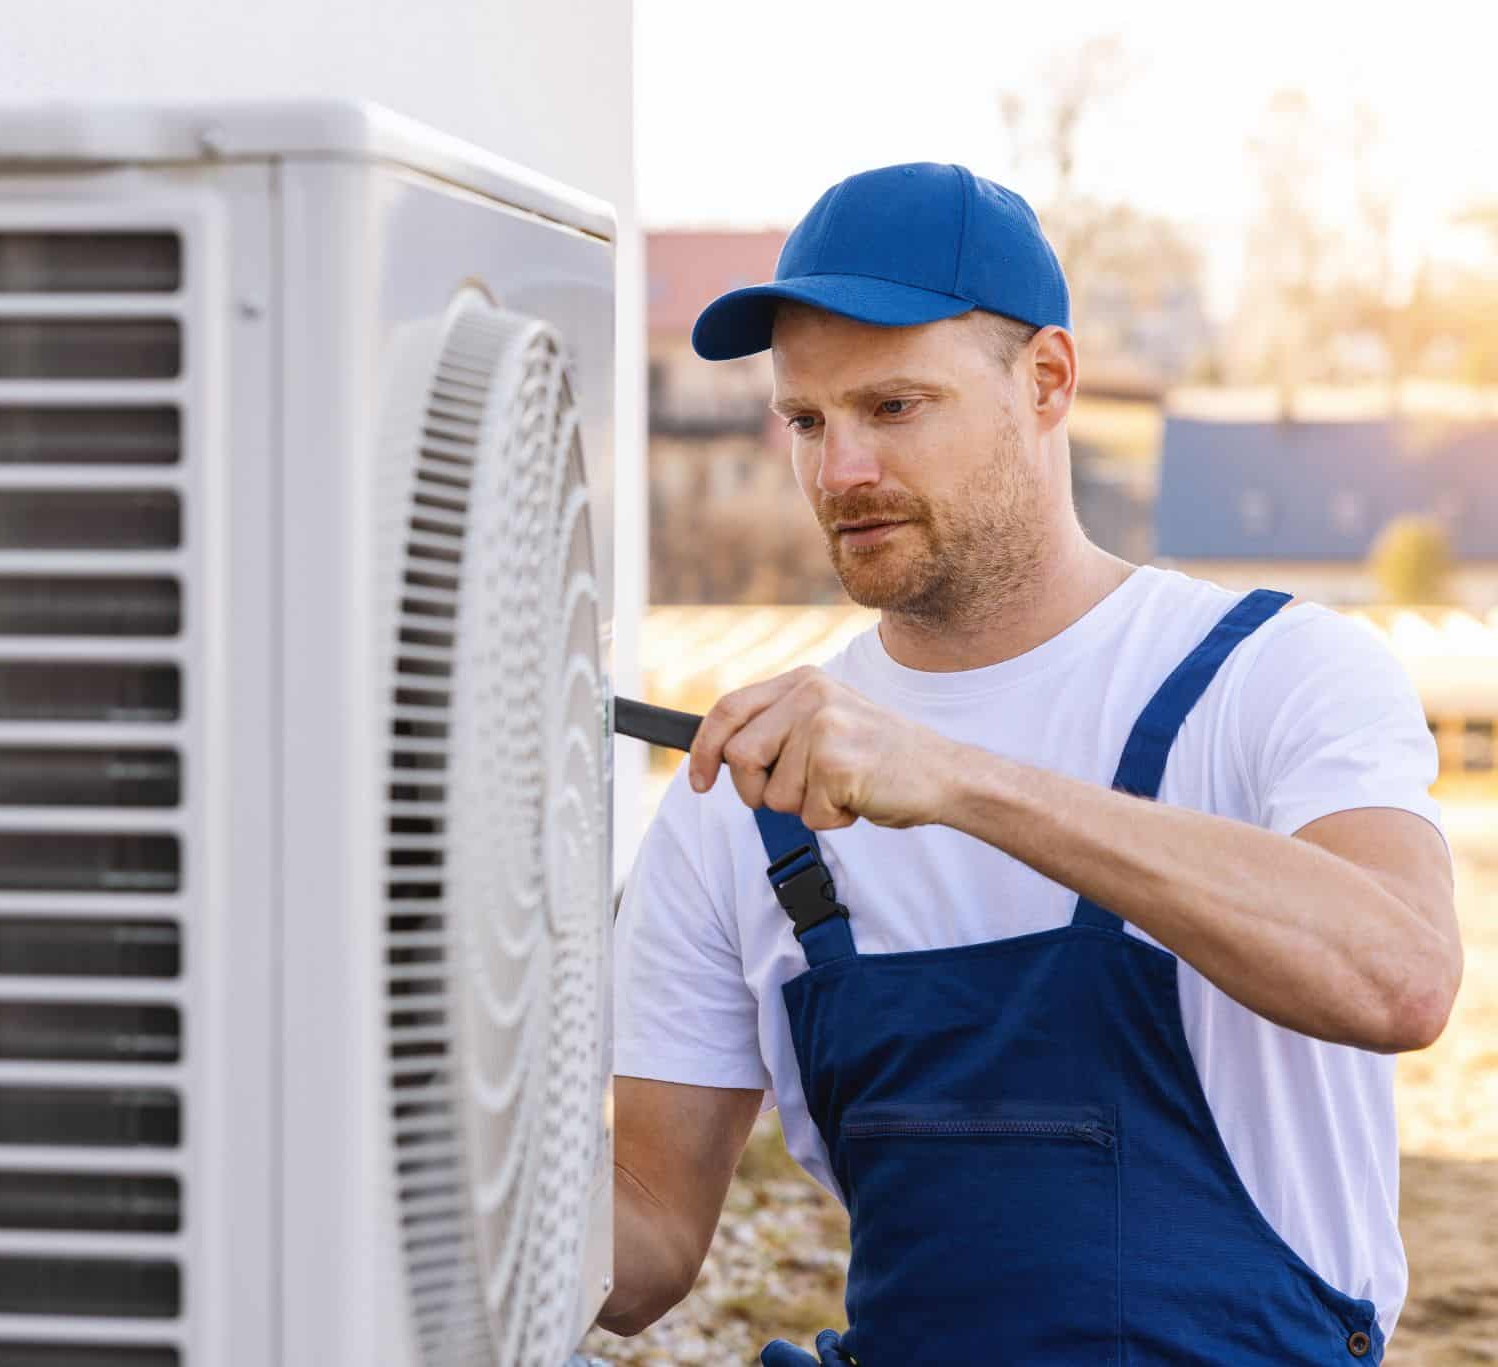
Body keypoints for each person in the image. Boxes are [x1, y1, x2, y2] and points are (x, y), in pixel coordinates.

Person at [598, 163, 1461, 1363]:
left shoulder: (1271, 674)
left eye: (893, 407)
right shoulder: (740, 794)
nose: (838, 470)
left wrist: (959, 780)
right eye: (806, 419)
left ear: (1046, 379)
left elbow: (1399, 977)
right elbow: (642, 1233)